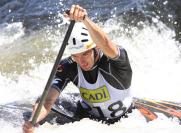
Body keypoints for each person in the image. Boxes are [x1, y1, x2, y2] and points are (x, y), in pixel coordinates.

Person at [23, 4, 133, 133]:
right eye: (76, 56)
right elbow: (47, 100)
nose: (81, 61)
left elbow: (106, 43)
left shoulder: (115, 62)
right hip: (87, 117)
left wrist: (85, 19)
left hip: (124, 119)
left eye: (85, 54)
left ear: (96, 48)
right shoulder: (68, 66)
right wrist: (32, 122)